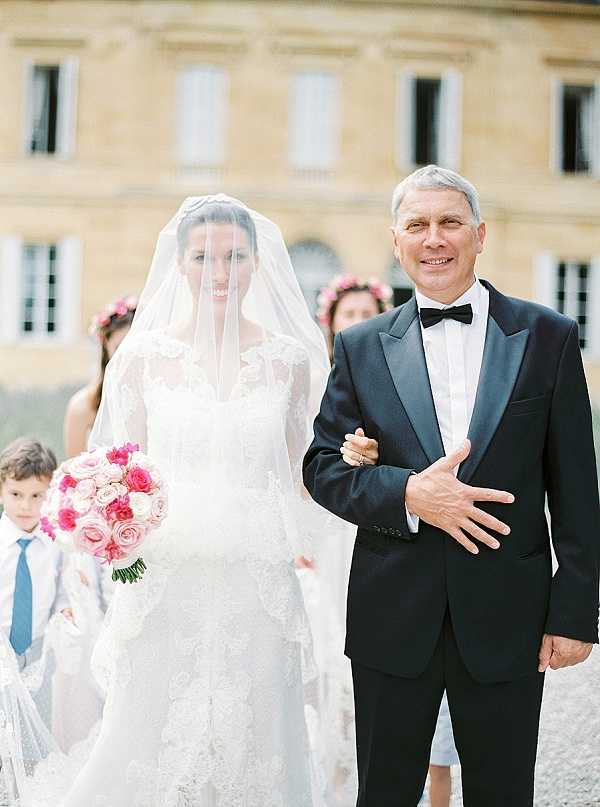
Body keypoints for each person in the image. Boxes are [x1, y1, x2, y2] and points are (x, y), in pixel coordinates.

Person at [14, 195, 341, 807]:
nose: (220, 273)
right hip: (165, 573)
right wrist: (104, 528)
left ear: (256, 264)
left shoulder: (289, 362)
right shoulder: (142, 357)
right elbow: (116, 465)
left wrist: (353, 468)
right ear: (181, 266)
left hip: (257, 577)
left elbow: (305, 471)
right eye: (204, 257)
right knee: (149, 723)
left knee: (257, 727)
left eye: (235, 257)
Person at [303, 164, 600, 806]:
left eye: (449, 222)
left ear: (479, 234)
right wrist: (408, 494)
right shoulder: (360, 346)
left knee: (502, 794)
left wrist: (575, 613)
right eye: (417, 225)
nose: (434, 238)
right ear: (396, 240)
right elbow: (323, 466)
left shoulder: (548, 336)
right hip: (391, 615)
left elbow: (577, 486)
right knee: (383, 794)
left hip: (508, 615)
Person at [0, 438, 72, 728]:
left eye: (36, 496)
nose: (25, 506)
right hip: (2, 648)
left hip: (40, 654)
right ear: (1, 490)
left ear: (51, 494)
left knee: (36, 725)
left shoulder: (57, 544)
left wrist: (66, 610)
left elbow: (61, 591)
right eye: (16, 493)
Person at [63, 295, 137, 458]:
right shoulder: (82, 406)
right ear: (106, 347)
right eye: (119, 347)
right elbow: (73, 470)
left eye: (133, 346)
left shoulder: (155, 400)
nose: (127, 356)